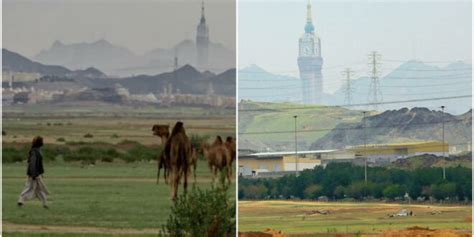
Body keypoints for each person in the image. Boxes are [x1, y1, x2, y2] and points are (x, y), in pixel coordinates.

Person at [17, 136, 49, 208]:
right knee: (30, 187)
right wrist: (34, 174)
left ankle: (44, 203)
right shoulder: (35, 152)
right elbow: (33, 163)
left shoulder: (36, 151)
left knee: (39, 189)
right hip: (34, 174)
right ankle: (21, 200)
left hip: (37, 173)